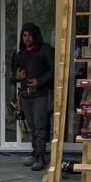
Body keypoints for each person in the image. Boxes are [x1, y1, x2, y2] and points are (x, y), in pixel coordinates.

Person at [12, 22, 54, 171]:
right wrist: (16, 77)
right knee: (31, 127)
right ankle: (36, 153)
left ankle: (40, 157)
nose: (27, 38)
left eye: (30, 35)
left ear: (35, 36)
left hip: (41, 94)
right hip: (25, 95)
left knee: (40, 126)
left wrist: (39, 81)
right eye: (24, 35)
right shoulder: (20, 54)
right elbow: (14, 77)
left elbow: (53, 70)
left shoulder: (46, 50)